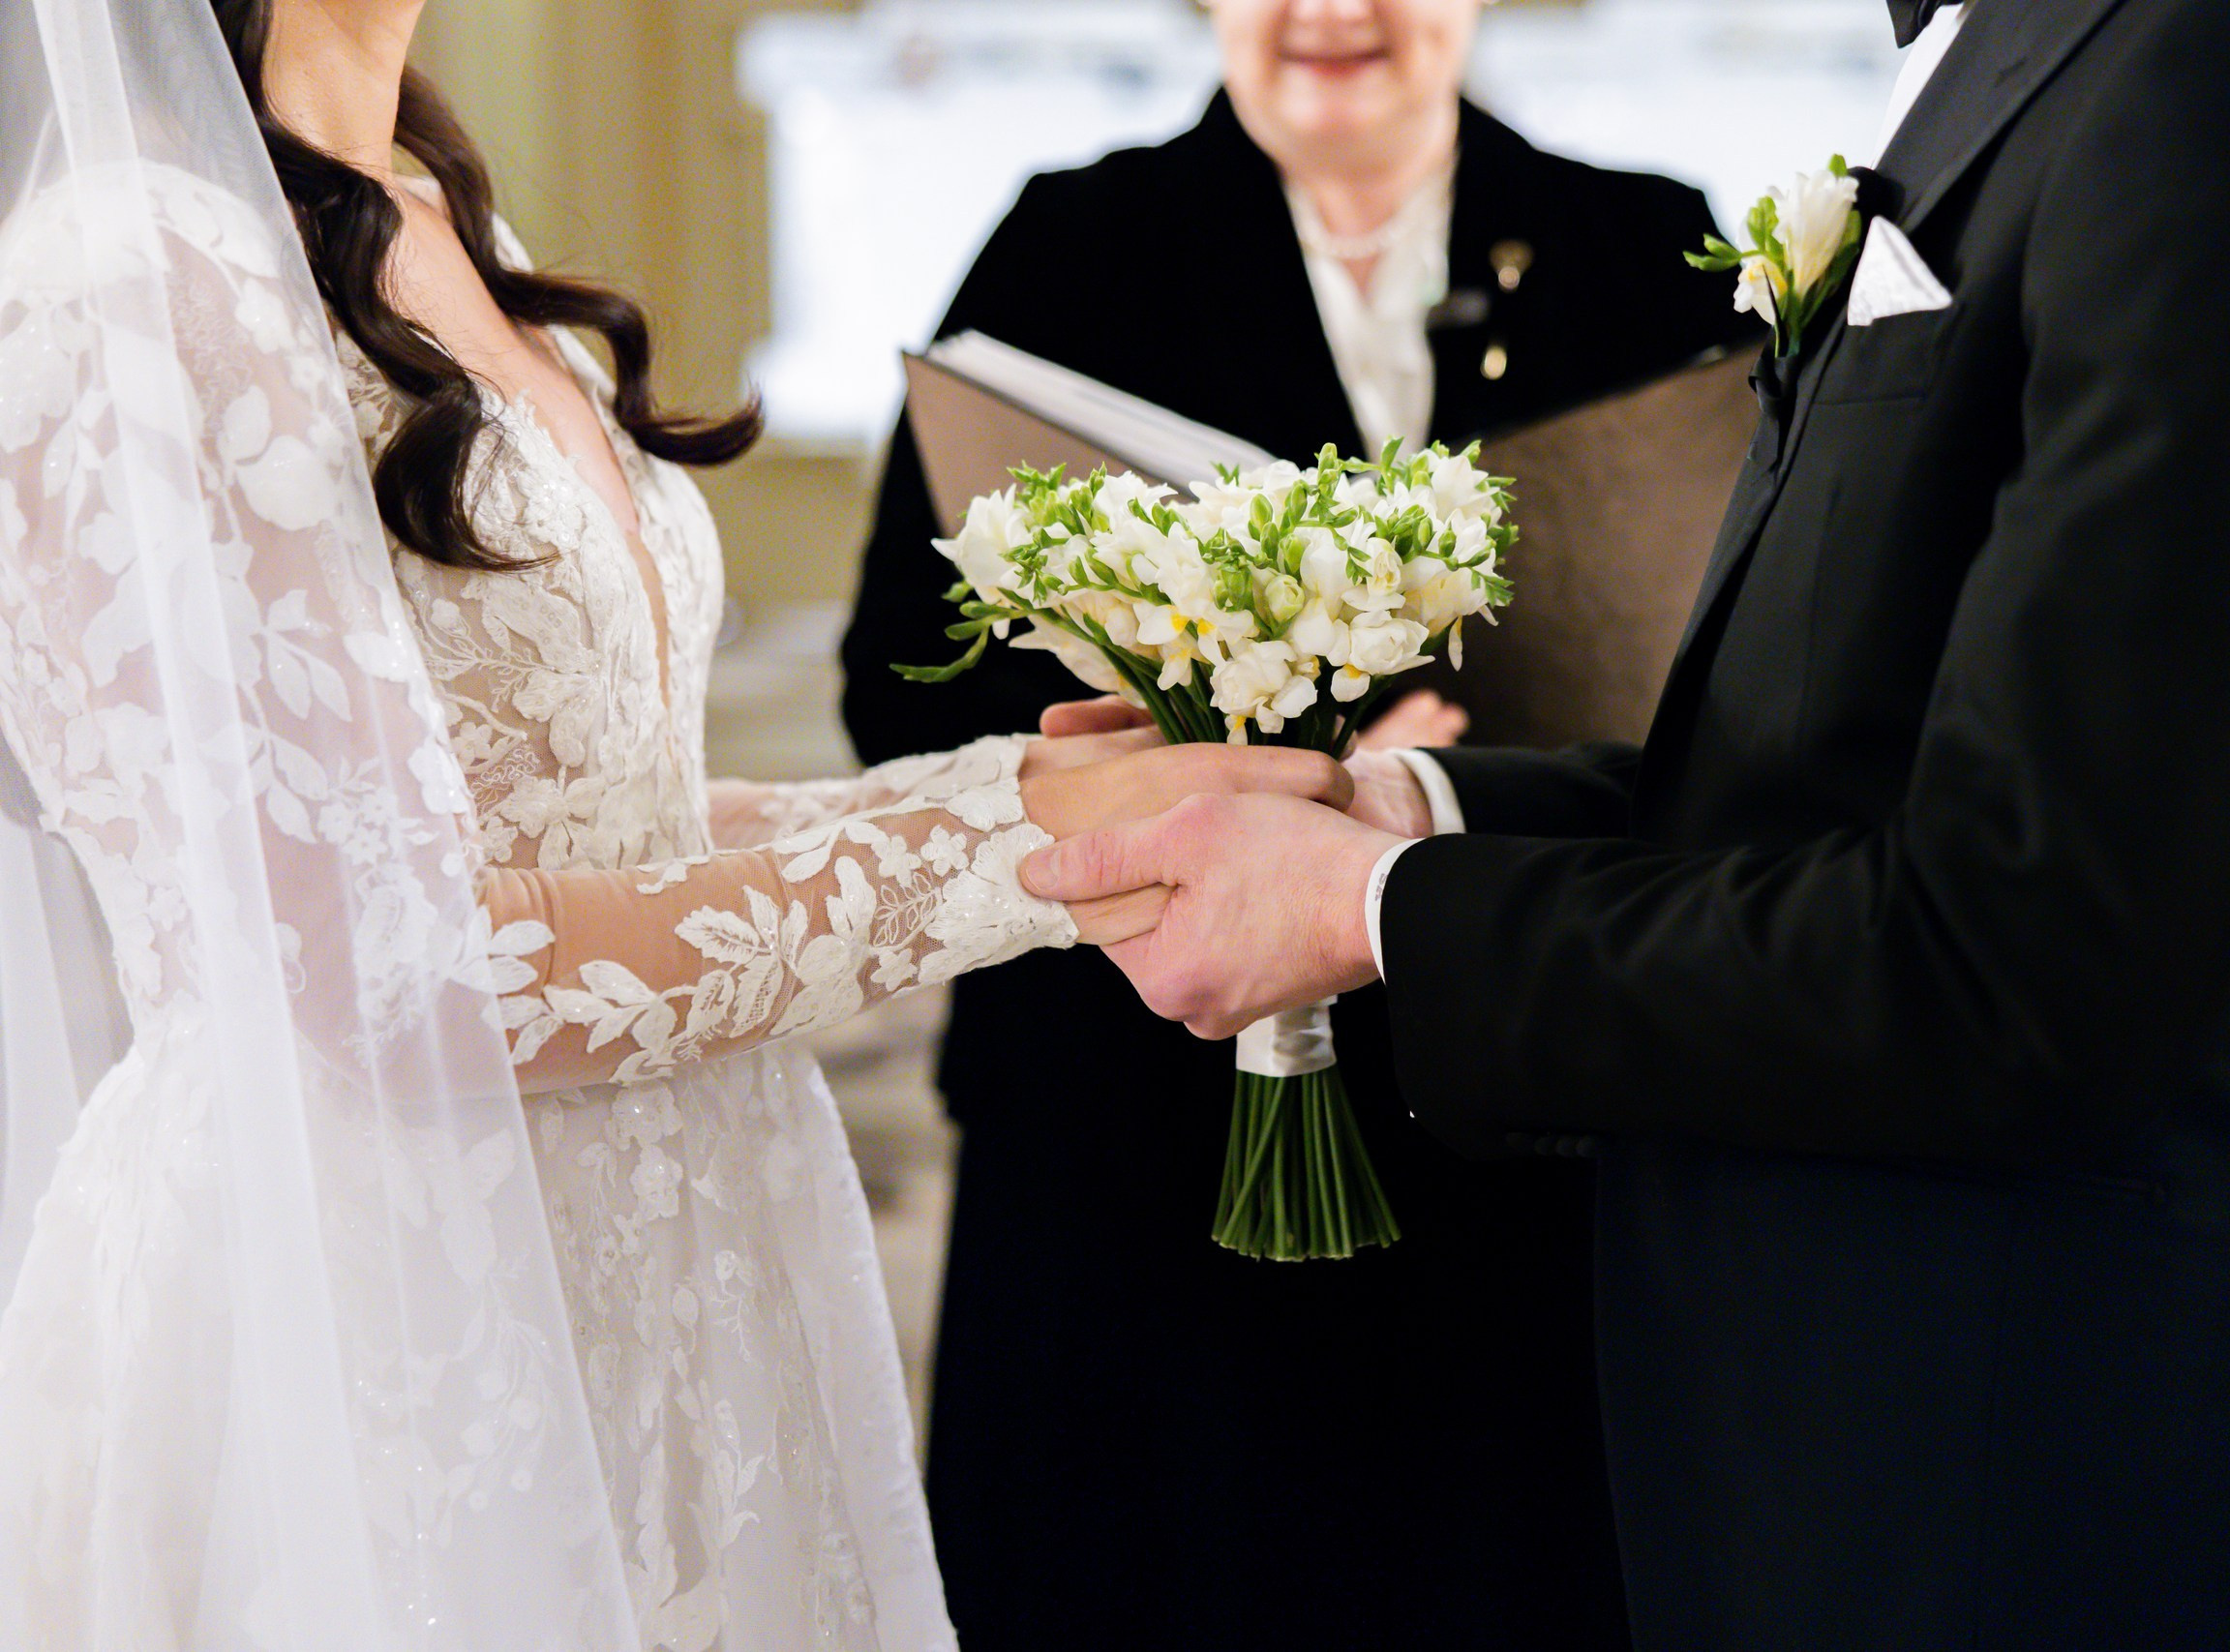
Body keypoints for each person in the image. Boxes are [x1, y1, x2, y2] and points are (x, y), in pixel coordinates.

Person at [1027, 0, 2230, 1644]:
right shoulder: (2034, 57)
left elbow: (2022, 953)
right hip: (1864, 1448)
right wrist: (1397, 803)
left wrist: (1374, 909)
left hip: (2107, 1476)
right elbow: (1829, 772)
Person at [0, 0, 1327, 1643]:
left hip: (674, 1258)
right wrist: (1007, 868)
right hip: (378, 1314)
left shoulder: (431, 212)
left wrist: (1029, 790)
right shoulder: (126, 282)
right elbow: (393, 967)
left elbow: (583, 819)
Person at [839, 1, 1744, 1644]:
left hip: (1518, 1143)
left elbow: (1746, 694)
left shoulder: (1645, 241)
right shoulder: (1072, 248)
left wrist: (1444, 782)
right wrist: (1239, 766)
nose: (1332, 9)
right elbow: (898, 695)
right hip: (1134, 1163)